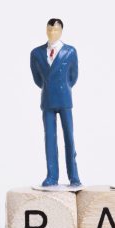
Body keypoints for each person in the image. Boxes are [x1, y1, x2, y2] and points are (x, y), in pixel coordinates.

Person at [30, 18, 81, 187]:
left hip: (64, 98)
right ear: (46, 30)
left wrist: (63, 87)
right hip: (47, 99)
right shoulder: (36, 53)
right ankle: (52, 176)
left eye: (56, 30)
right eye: (50, 29)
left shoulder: (70, 51)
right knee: (49, 139)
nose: (53, 33)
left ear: (61, 31)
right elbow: (37, 79)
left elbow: (73, 76)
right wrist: (49, 87)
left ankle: (74, 176)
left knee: (69, 138)